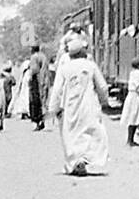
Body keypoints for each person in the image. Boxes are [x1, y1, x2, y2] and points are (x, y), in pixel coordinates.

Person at [47, 35, 113, 176]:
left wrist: (53, 109)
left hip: (70, 107)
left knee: (71, 135)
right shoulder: (90, 66)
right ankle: (86, 158)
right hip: (89, 106)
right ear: (81, 52)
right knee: (91, 133)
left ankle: (76, 161)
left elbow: (57, 89)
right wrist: (104, 101)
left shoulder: (64, 68)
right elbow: (102, 86)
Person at [27, 44, 47, 130]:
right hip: (44, 79)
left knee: (35, 102)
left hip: (36, 81)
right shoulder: (43, 56)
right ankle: (43, 120)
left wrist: (29, 78)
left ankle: (37, 122)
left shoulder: (34, 57)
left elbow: (34, 70)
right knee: (43, 101)